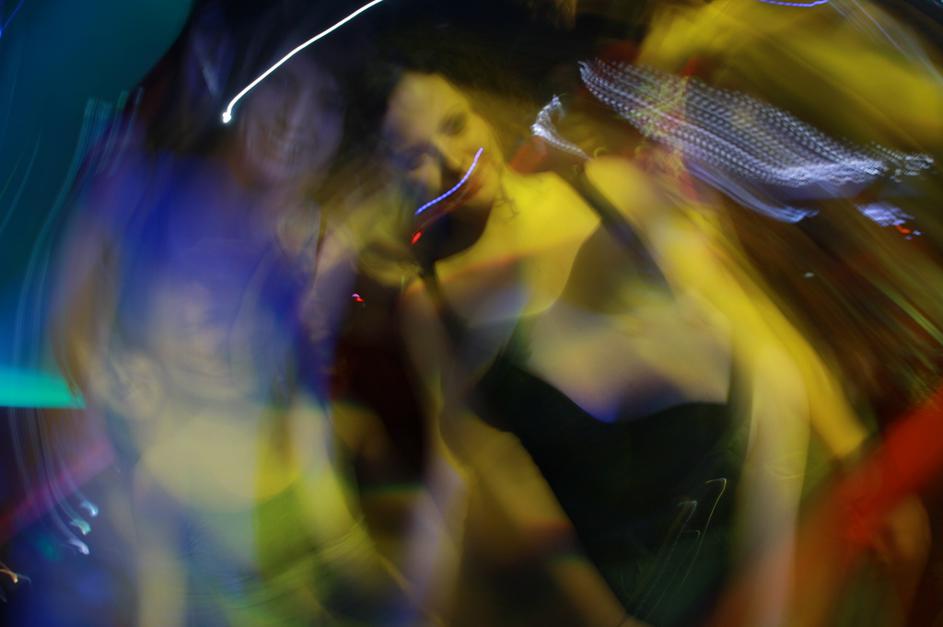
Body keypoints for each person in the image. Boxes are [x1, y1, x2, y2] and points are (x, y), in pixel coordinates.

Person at [372, 63, 879, 626]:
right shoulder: (433, 310)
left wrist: (854, 455)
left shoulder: (608, 189)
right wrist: (607, 617)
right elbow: (511, 482)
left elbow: (748, 317)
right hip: (664, 579)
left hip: (779, 484)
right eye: (413, 156)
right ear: (390, 178)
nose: (450, 160)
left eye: (454, 124)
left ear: (482, 111)